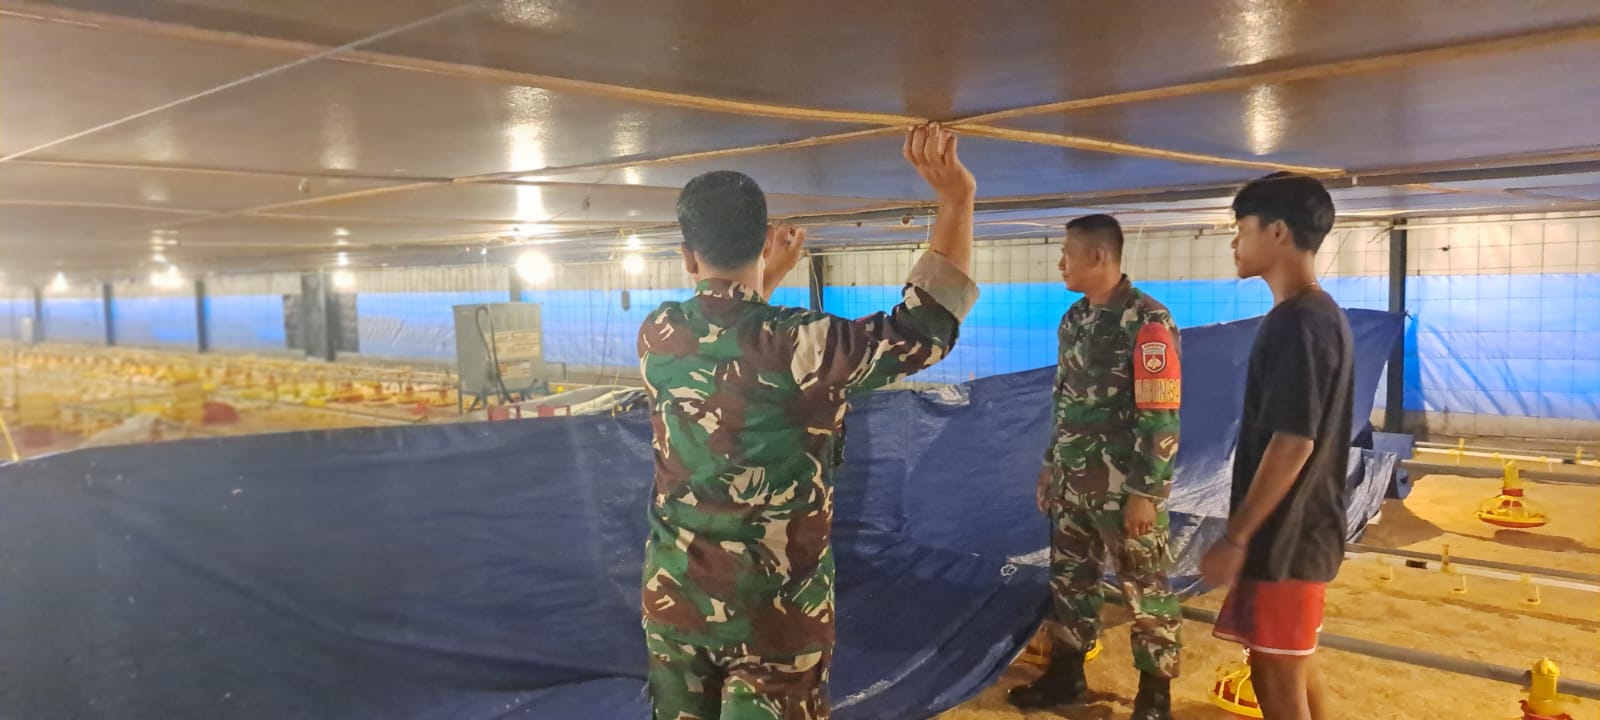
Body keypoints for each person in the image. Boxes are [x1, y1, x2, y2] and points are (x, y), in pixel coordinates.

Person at [637, 123, 979, 720]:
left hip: (677, 606)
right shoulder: (803, 343)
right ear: (767, 239)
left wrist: (764, 280)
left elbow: (729, 336)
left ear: (687, 255)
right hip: (775, 619)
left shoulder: (658, 335)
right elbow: (923, 329)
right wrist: (956, 201)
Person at [1010, 214, 1181, 719]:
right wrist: (1049, 466)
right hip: (1072, 485)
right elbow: (1063, 400)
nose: (1060, 263)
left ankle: (1154, 698)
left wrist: (1145, 494)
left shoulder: (1148, 322)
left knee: (1144, 590)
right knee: (1069, 583)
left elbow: (1161, 414)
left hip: (1123, 491)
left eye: (1067, 253)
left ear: (1098, 257)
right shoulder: (1075, 319)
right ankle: (1066, 677)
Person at [1200, 172, 1352, 720]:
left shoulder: (1301, 323)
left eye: (1242, 227)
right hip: (1298, 535)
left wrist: (1238, 535)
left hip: (1289, 539)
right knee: (1292, 666)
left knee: (1277, 677)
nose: (1235, 242)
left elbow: (1293, 442)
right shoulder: (1314, 315)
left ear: (1279, 232)